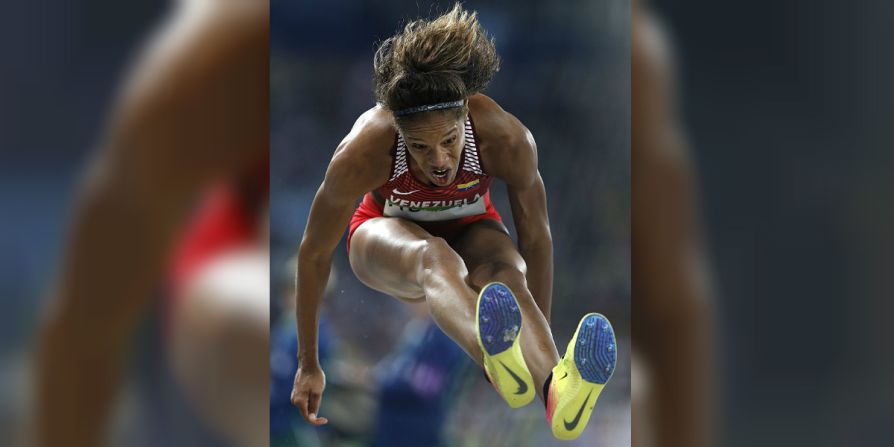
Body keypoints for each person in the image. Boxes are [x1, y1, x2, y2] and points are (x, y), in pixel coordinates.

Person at [290, 4, 617, 441]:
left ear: (467, 115)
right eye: (420, 147)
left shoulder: (506, 138)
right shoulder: (364, 150)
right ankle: (492, 359)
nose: (439, 162)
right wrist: (308, 363)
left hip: (472, 225)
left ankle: (558, 391)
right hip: (383, 234)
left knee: (507, 274)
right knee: (435, 256)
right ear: (399, 131)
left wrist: (538, 355)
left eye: (448, 140)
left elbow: (536, 241)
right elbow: (313, 252)